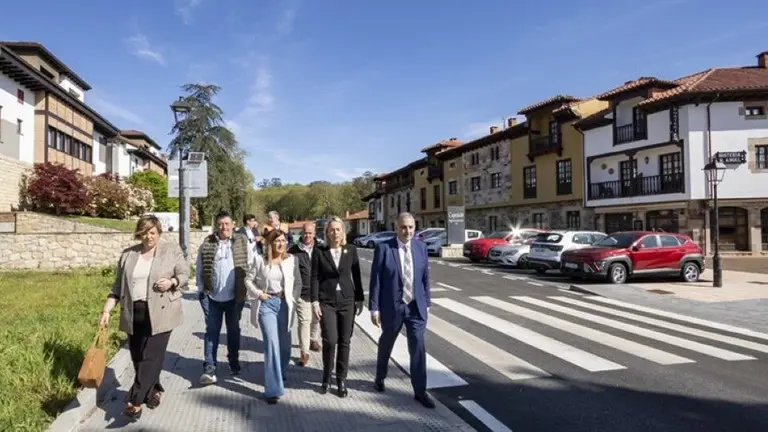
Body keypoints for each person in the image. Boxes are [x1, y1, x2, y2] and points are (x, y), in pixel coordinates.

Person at [100, 215, 189, 418]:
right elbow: (117, 286)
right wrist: (107, 310)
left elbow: (184, 274)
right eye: (145, 233)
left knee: (151, 356)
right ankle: (153, 391)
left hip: (162, 311)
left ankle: (135, 400)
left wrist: (172, 281)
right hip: (134, 312)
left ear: (159, 233)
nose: (149, 237)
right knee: (139, 357)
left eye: (153, 233)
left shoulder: (171, 251)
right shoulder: (128, 255)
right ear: (139, 233)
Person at [368, 212, 435, 408]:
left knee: (418, 348)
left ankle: (420, 391)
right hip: (392, 307)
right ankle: (380, 377)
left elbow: (424, 279)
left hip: (416, 307)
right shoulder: (384, 248)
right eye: (404, 227)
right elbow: (376, 280)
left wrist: (427, 303)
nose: (407, 231)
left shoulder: (421, 247)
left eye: (411, 227)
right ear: (396, 227)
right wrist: (374, 308)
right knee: (386, 344)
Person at [245, 229, 302, 404]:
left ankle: (280, 371)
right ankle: (272, 389)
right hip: (267, 304)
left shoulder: (292, 260)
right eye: (277, 241)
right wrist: (258, 294)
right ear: (270, 243)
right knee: (271, 344)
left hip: (284, 304)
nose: (280, 244)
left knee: (285, 346)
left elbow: (298, 283)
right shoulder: (260, 260)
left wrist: (293, 297)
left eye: (283, 241)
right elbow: (248, 279)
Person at [195, 210, 252, 385]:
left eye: (227, 224)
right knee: (211, 332)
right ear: (216, 226)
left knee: (233, 330)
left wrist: (248, 289)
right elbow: (199, 265)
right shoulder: (208, 243)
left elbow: (251, 263)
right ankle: (210, 367)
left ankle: (233, 362)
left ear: (232, 225)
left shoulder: (241, 241)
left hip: (235, 297)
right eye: (220, 224)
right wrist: (201, 288)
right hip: (212, 296)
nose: (223, 227)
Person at [311, 216, 364, 397]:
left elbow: (356, 275)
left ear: (343, 232)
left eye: (338, 229)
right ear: (327, 233)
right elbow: (315, 278)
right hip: (327, 301)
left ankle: (341, 379)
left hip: (347, 300)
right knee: (330, 340)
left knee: (344, 341)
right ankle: (326, 376)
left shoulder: (351, 250)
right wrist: (315, 302)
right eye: (332, 230)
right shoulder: (319, 252)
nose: (335, 233)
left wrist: (360, 299)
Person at [287, 221, 321, 366]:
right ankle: (304, 352)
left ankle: (313, 339)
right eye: (305, 233)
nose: (307, 236)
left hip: (319, 293)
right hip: (302, 292)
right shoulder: (294, 251)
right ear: (301, 233)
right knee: (304, 322)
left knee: (316, 319)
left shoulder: (321, 249)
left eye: (310, 233)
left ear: (314, 234)